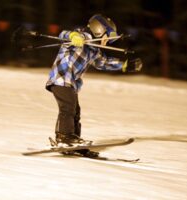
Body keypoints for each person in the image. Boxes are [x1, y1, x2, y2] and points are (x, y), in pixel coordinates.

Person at [45, 14, 142, 156]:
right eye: (106, 37)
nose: (107, 42)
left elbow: (103, 62)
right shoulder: (80, 36)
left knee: (75, 112)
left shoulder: (94, 50)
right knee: (68, 109)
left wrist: (124, 65)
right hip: (61, 79)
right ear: (98, 30)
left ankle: (74, 142)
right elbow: (63, 34)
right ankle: (64, 137)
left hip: (70, 84)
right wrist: (73, 36)